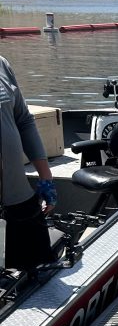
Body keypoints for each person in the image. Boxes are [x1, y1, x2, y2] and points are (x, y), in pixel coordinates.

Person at [0, 56, 56, 270]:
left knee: (37, 270)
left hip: (18, 198)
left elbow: (23, 120)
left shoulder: (2, 64)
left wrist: (46, 178)